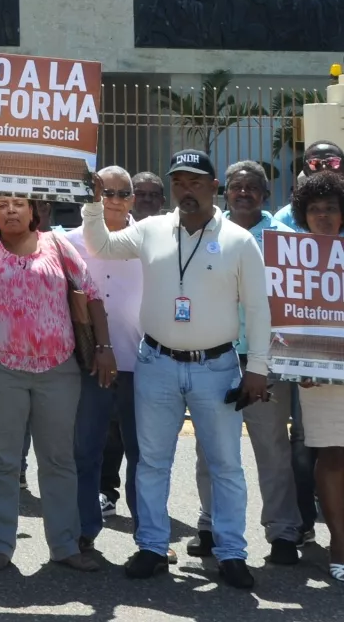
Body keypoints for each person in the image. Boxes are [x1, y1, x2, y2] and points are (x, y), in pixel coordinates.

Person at [80, 149, 269, 588]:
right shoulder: (151, 230)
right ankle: (150, 545)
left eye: (196, 182)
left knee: (225, 464)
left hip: (217, 366)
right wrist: (93, 202)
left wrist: (257, 368)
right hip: (157, 363)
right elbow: (101, 246)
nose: (187, 190)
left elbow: (258, 310)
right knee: (152, 462)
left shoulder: (240, 241)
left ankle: (232, 552)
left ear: (214, 187)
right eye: (179, 183)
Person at [0, 193, 109, 574]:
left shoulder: (57, 244)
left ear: (34, 210)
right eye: (2, 204)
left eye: (19, 203)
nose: (10, 210)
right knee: (2, 460)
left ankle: (65, 544)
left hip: (58, 370)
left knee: (58, 460)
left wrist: (105, 348)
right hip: (0, 370)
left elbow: (92, 294)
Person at [181, 161, 302, 565]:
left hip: (265, 359)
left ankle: (283, 532)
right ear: (225, 192)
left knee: (272, 449)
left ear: (266, 196)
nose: (244, 193)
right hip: (215, 356)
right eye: (237, 187)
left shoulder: (285, 241)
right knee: (210, 449)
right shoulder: (202, 231)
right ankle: (209, 526)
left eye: (253, 188)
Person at [66, 166, 145, 555]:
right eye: (103, 192)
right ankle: (84, 531)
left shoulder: (150, 239)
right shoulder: (66, 242)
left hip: (141, 365)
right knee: (86, 452)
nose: (110, 199)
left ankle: (149, 536)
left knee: (144, 456)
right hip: (89, 365)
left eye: (119, 193)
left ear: (132, 199)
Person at [285, 169, 344, 583]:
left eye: (331, 209)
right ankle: (339, 541)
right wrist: (297, 362)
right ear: (303, 214)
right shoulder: (289, 255)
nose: (322, 216)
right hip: (318, 376)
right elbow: (281, 315)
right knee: (332, 456)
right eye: (315, 209)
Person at [275, 142, 344, 229]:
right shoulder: (285, 219)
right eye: (315, 163)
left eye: (333, 162)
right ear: (305, 170)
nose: (324, 168)